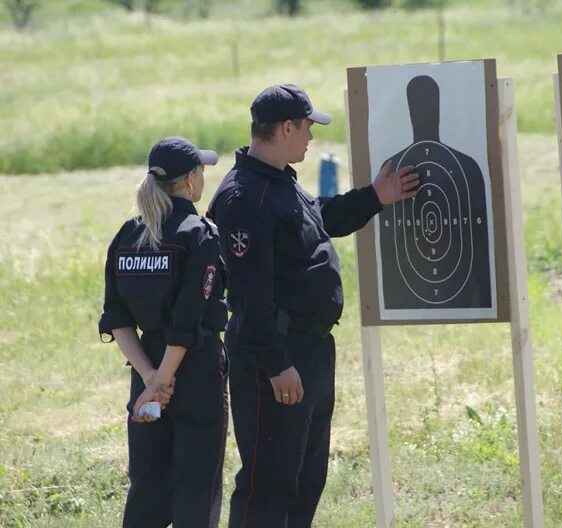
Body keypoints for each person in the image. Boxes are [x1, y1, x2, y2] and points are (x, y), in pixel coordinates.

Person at [207, 84, 419, 527]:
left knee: (304, 480)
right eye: (307, 127)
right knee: (268, 484)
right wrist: (276, 363)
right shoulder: (246, 198)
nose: (311, 136)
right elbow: (249, 294)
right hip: (278, 355)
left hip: (309, 349)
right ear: (286, 128)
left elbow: (318, 217)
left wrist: (373, 197)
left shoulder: (278, 182)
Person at [98, 137, 229, 528]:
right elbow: (188, 320)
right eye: (201, 170)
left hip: (147, 372)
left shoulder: (127, 234)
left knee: (148, 491)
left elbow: (116, 317)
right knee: (196, 491)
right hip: (195, 373)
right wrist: (164, 380)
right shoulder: (198, 232)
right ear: (189, 181)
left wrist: (149, 379)